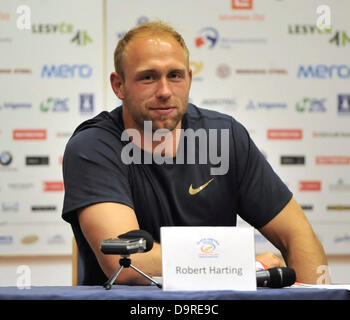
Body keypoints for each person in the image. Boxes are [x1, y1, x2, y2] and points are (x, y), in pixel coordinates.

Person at [62, 21, 329, 286]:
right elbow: (128, 263)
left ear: (189, 79)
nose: (164, 91)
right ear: (118, 85)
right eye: (148, 77)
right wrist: (242, 264)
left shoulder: (225, 137)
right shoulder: (92, 146)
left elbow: (298, 236)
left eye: (175, 75)